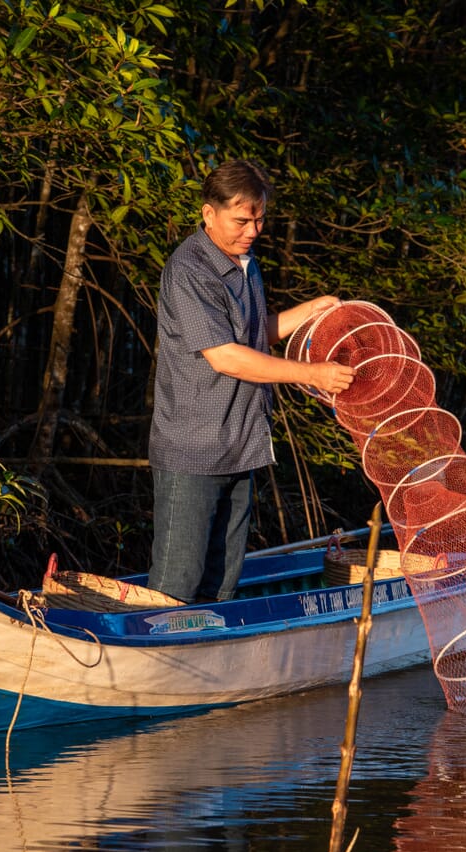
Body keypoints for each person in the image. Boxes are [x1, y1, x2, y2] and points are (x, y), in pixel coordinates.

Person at [147, 160, 355, 604]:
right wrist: (312, 374)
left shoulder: (245, 261)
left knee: (222, 586)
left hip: (241, 446)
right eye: (242, 220)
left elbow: (252, 334)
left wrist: (311, 311)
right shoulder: (189, 271)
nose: (254, 230)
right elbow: (226, 357)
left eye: (259, 218)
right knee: (175, 589)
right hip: (194, 450)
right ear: (209, 214)